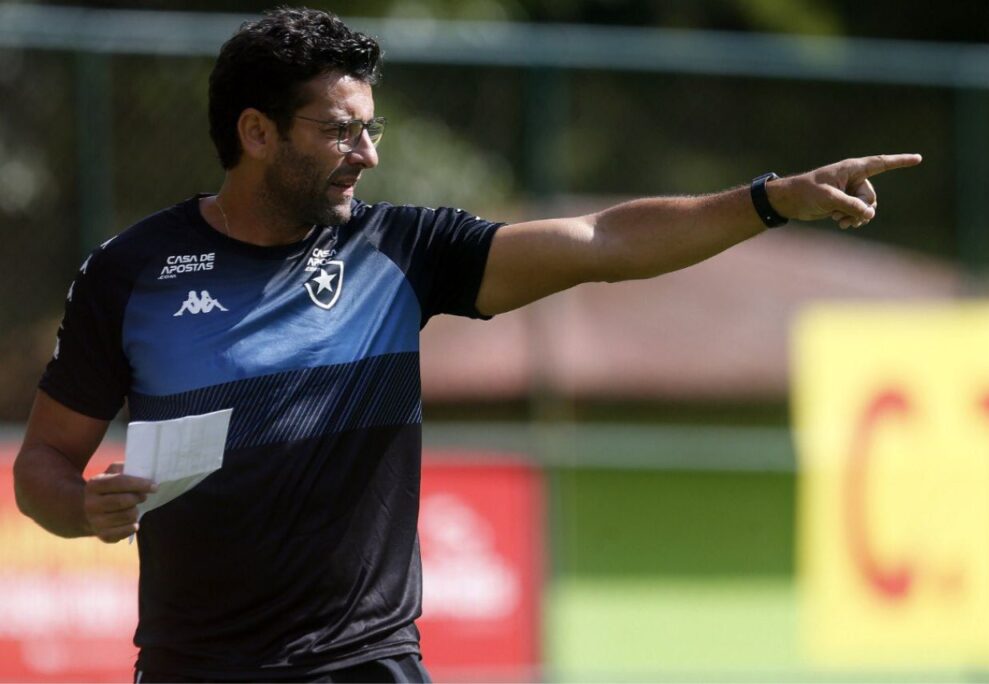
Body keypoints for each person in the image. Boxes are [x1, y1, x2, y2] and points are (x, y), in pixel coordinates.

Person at [12, 7, 921, 684]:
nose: (365, 152)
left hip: (366, 660)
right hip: (193, 665)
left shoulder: (404, 252)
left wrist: (769, 201)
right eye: (338, 130)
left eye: (371, 127)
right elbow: (45, 464)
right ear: (255, 133)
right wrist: (79, 509)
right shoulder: (131, 272)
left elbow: (603, 241)